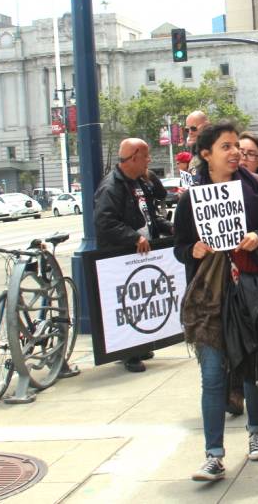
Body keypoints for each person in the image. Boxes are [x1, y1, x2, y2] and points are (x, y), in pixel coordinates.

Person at [174, 122, 258, 481]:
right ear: (206, 154)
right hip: (211, 296)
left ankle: (255, 433)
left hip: (251, 290)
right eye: (226, 146)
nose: (235, 152)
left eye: (236, 145)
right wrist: (192, 249)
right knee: (212, 376)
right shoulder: (190, 199)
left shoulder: (256, 187)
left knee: (252, 367)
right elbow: (179, 247)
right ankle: (213, 454)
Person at [94, 138, 172, 373]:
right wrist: (133, 237)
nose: (149, 160)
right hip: (123, 255)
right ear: (135, 156)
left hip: (141, 253)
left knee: (143, 303)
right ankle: (129, 353)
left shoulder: (139, 182)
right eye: (146, 156)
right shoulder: (111, 187)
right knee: (127, 304)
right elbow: (104, 221)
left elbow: (150, 210)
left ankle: (139, 345)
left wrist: (165, 227)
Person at [225, 132, 258, 408]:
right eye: (238, 151)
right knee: (231, 330)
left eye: (249, 154)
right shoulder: (209, 187)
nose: (242, 157)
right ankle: (234, 387)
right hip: (225, 272)